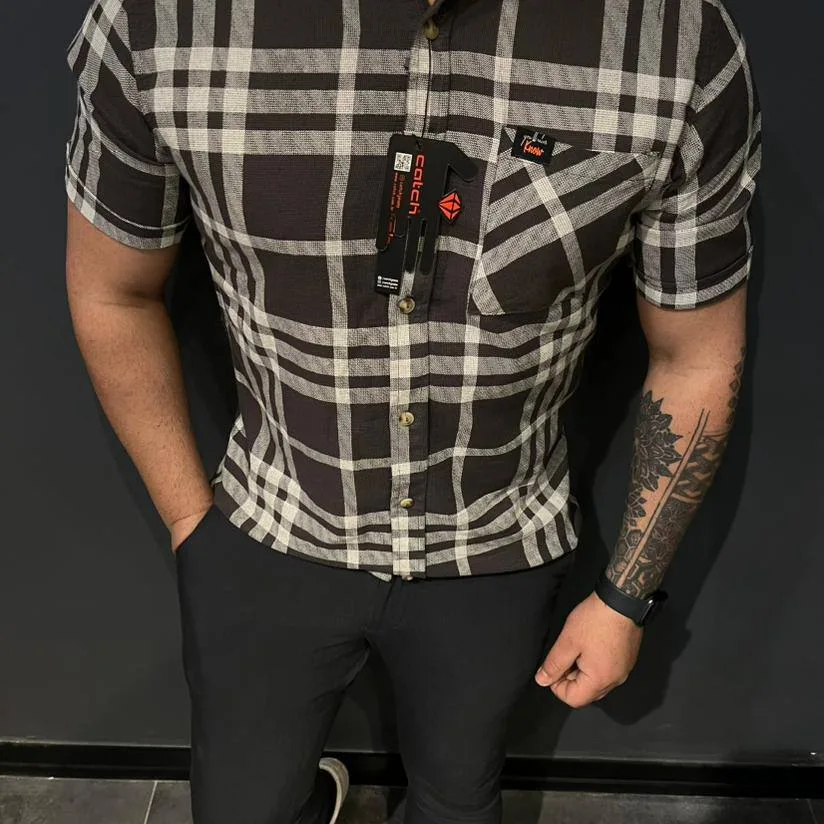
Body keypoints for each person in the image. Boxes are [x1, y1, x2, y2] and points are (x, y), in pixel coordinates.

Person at [63, 0, 761, 821]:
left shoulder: (676, 41)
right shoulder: (156, 23)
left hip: (499, 549)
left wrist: (625, 598)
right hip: (270, 529)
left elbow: (697, 355)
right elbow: (113, 291)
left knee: (457, 802)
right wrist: (192, 525)